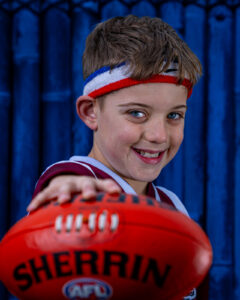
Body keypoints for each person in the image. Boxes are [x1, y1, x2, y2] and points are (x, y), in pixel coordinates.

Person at [27, 15, 202, 299]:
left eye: (174, 115)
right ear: (90, 112)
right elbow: (64, 188)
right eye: (137, 113)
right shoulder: (78, 181)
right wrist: (65, 202)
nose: (159, 135)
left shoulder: (175, 208)